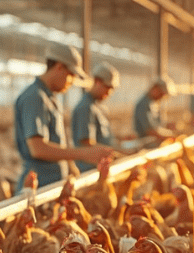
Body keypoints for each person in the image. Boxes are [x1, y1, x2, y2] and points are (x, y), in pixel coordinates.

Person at [14, 43, 118, 191]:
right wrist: (84, 153)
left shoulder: (50, 98)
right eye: (71, 76)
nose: (72, 82)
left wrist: (70, 166)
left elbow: (55, 141)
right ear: (59, 67)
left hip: (52, 184)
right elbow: (38, 149)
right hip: (38, 185)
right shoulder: (35, 97)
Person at [71, 62, 120, 173]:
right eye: (107, 87)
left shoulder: (96, 106)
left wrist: (118, 141)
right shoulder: (85, 108)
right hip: (90, 169)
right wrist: (117, 152)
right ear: (97, 82)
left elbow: (101, 137)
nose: (109, 92)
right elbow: (86, 143)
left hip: (101, 166)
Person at [132, 76, 176, 143]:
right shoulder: (143, 104)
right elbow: (149, 131)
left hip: (153, 140)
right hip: (145, 142)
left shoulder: (153, 104)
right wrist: (169, 137)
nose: (161, 98)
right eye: (161, 94)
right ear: (155, 89)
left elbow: (157, 126)